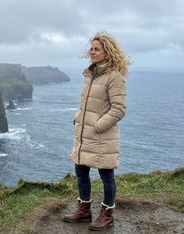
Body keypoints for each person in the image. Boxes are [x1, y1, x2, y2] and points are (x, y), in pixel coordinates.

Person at [63, 32, 130, 231]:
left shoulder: (114, 77)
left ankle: (107, 214)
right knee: (80, 170)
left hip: (101, 135)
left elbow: (119, 109)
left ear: (106, 51)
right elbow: (85, 104)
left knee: (106, 174)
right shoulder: (90, 74)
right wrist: (78, 117)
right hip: (84, 134)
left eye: (96, 49)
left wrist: (98, 125)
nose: (91, 52)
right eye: (91, 48)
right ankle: (84, 210)